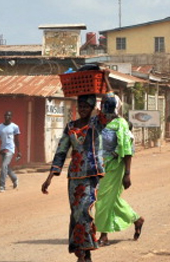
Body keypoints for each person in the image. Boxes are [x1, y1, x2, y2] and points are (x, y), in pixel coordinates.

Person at [41, 69, 117, 262]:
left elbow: (110, 105)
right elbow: (61, 151)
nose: (82, 109)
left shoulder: (98, 123)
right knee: (76, 214)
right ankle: (82, 252)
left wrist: (106, 80)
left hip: (91, 175)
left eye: (86, 106)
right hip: (74, 176)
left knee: (85, 210)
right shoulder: (71, 126)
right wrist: (50, 176)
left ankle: (86, 252)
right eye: (80, 105)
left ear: (92, 107)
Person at [95, 107, 144, 247]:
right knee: (111, 199)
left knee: (103, 200)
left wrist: (127, 174)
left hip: (115, 168)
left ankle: (103, 235)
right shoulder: (101, 123)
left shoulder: (121, 124)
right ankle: (137, 219)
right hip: (100, 167)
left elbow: (127, 151)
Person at [0, 111, 21, 192]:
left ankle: (2, 186)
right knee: (6, 168)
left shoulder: (15, 127)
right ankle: (15, 179)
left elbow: (17, 140)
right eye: (5, 115)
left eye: (8, 115)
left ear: (11, 117)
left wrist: (19, 151)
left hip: (10, 149)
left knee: (4, 166)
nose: (7, 117)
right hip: (2, 149)